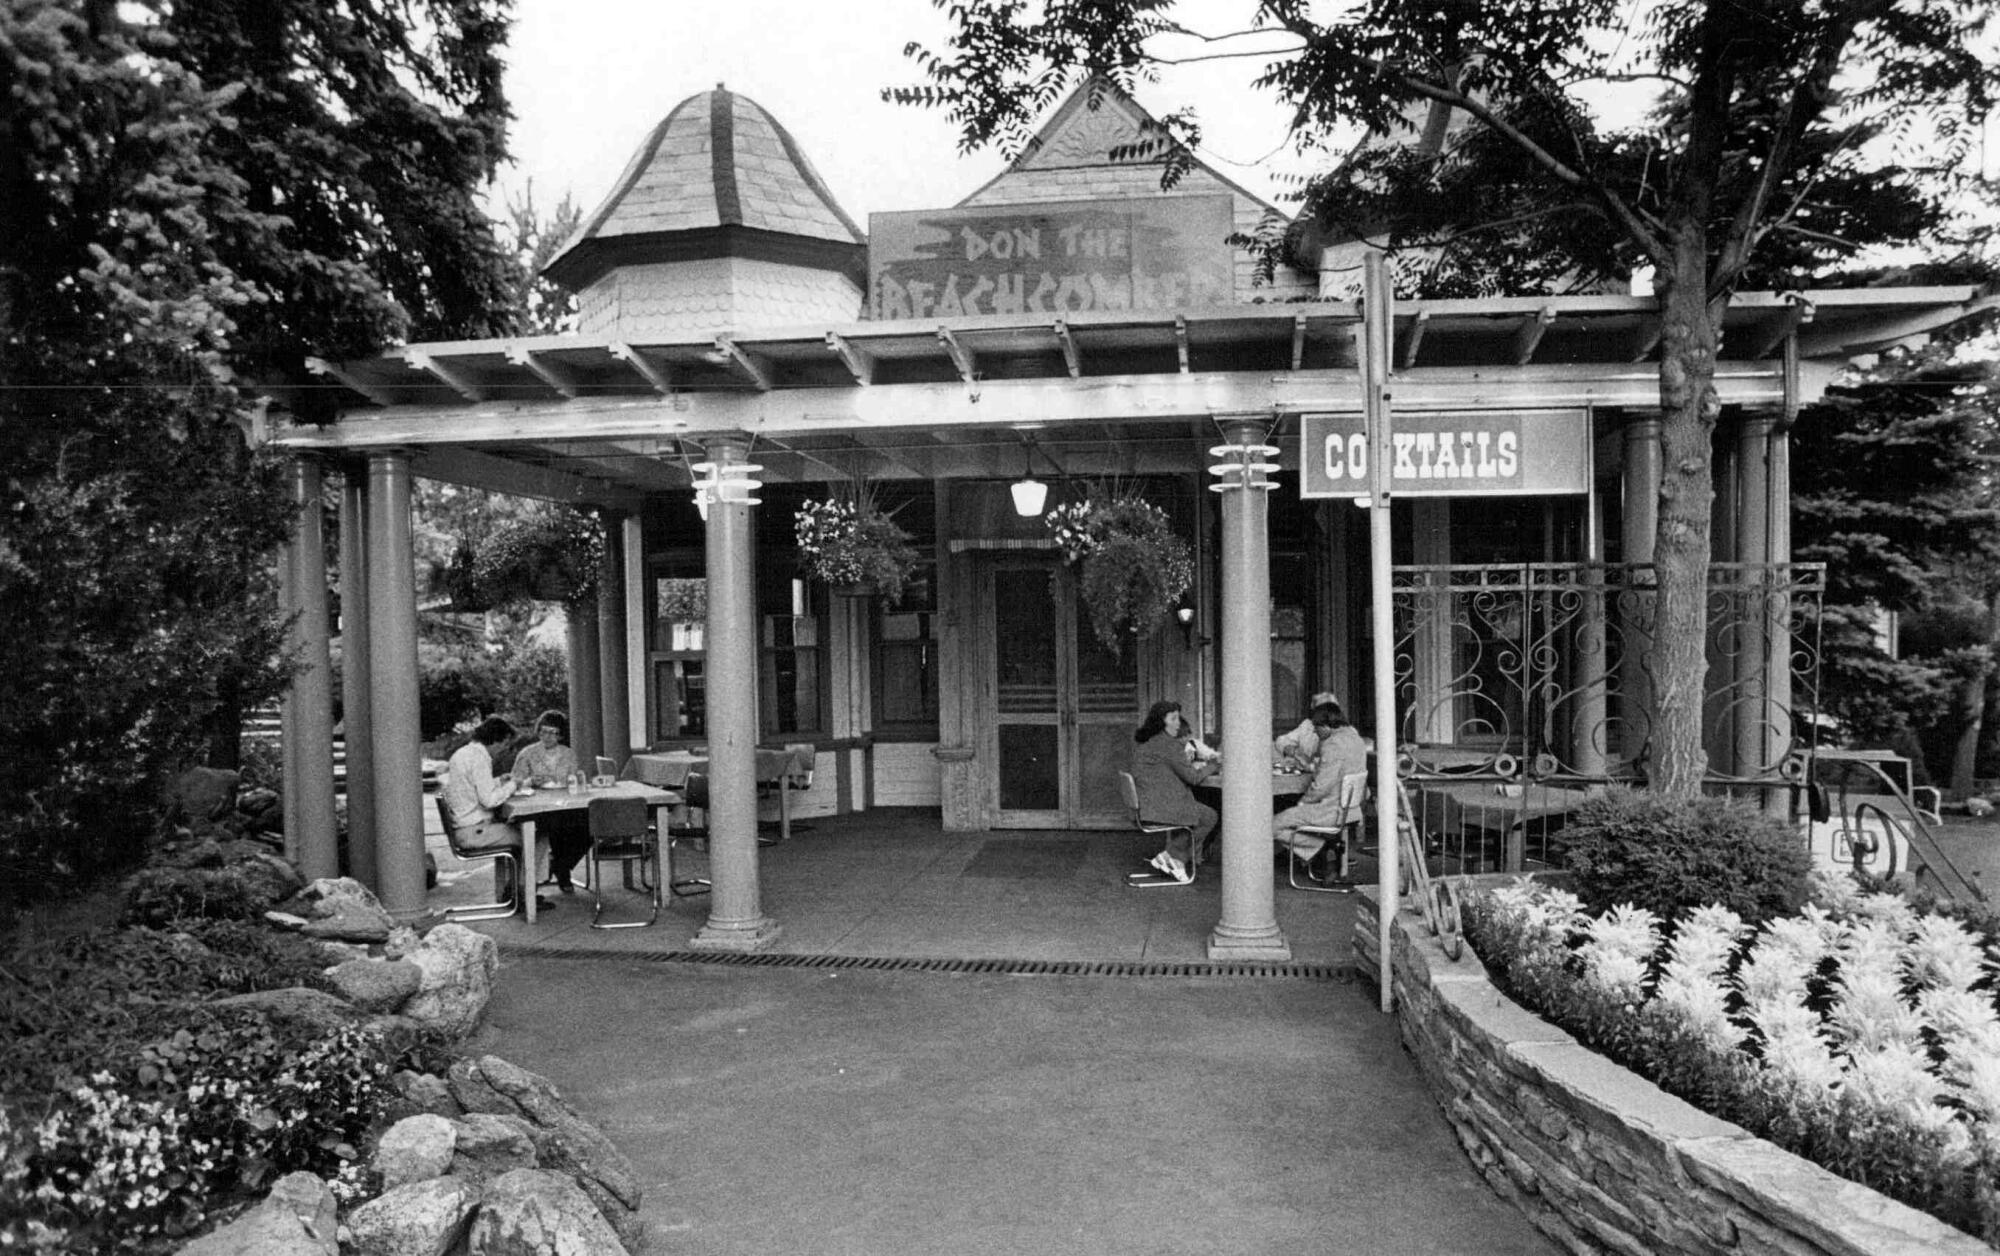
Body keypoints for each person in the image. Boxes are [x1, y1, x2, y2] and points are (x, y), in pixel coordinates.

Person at [439, 715, 551, 907]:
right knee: (538, 834)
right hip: (474, 831)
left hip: (466, 827)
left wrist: (499, 781)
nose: (504, 750)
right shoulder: (480, 759)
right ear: (496, 739)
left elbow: (475, 788)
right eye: (505, 744)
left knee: (522, 829)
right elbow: (489, 800)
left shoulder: (465, 753)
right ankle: (526, 894)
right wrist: (514, 785)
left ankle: (515, 889)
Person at [1274, 701, 1370, 881]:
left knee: (1271, 825)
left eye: (1316, 727)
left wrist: (1303, 802)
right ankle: (1322, 852)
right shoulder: (1354, 738)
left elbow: (1321, 786)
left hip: (1331, 811)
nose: (1315, 732)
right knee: (1288, 816)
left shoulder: (1332, 744)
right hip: (1352, 809)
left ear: (1325, 725)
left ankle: (1318, 849)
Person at [1130, 699, 1219, 885]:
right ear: (1162, 722)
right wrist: (1214, 765)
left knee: (1202, 813)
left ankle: (1171, 857)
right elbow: (1193, 778)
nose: (1179, 723)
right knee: (1209, 816)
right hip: (1161, 805)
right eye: (1174, 719)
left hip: (1148, 803)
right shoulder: (1169, 745)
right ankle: (1172, 857)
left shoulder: (1152, 742)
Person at [510, 709, 589, 893]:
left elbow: (573, 778)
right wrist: (530, 781)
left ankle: (561, 866)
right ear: (538, 731)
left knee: (586, 827)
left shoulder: (568, 754)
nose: (547, 737)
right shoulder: (527, 753)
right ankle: (562, 872)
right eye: (543, 731)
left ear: (560, 735)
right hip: (538, 807)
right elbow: (514, 782)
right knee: (555, 827)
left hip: (565, 803)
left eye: (553, 733)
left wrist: (574, 781)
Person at [1273, 690, 1341, 772]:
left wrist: (1308, 766)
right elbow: (1281, 740)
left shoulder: (1341, 732)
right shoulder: (1307, 725)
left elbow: (1333, 767)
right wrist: (1292, 750)